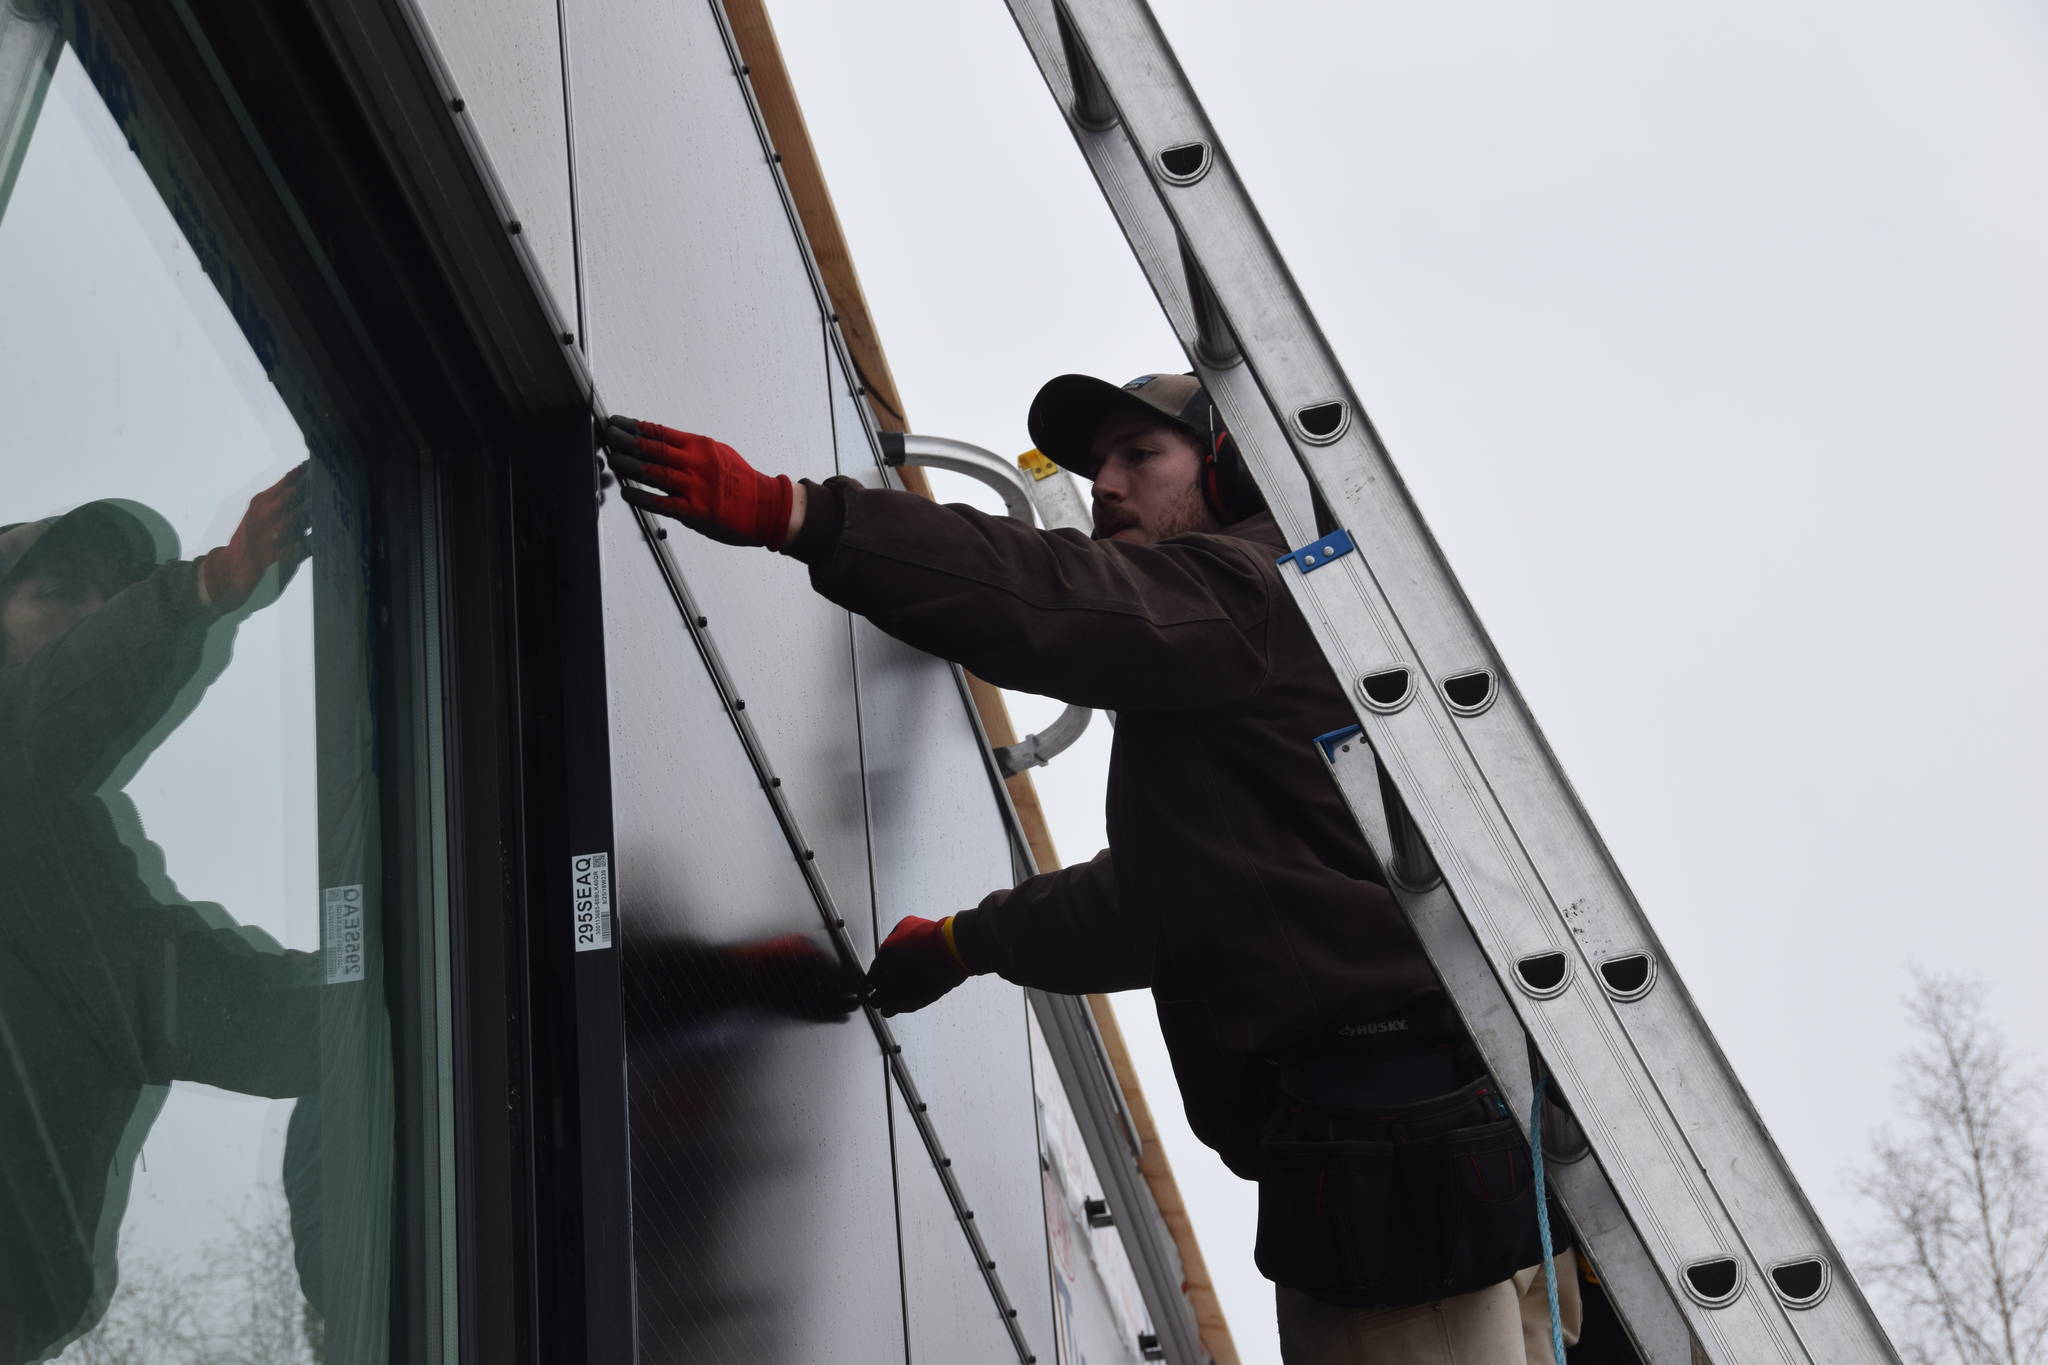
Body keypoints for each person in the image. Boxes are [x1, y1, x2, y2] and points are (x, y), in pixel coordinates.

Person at [603, 373, 1587, 1363]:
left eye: (1137, 455)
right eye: (1093, 467)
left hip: (1390, 1164)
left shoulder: (1260, 581)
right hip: (1410, 1151)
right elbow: (1170, 898)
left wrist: (804, 514)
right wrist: (965, 942)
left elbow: (1071, 599)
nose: (1103, 486)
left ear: (1229, 467)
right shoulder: (1253, 645)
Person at [0, 470, 322, 1361]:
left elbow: (226, 1006)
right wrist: (200, 589)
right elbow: (34, 721)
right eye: (61, 593)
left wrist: (443, 970)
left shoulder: (53, 872)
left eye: (116, 599)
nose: (94, 615)